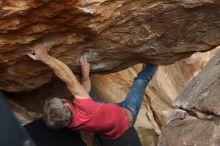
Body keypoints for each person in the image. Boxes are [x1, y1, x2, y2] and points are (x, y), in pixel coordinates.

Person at [28, 43, 158, 140]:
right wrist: (45, 57)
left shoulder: (68, 123)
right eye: (62, 100)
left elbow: (84, 92)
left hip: (111, 128)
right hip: (127, 115)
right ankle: (156, 61)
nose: (64, 99)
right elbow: (70, 81)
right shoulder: (86, 107)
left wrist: (85, 74)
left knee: (89, 96)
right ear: (67, 106)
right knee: (140, 81)